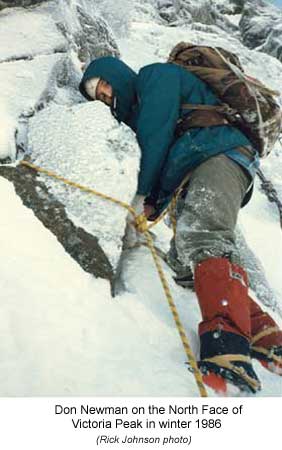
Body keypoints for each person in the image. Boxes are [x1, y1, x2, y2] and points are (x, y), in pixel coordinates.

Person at [79, 56, 282, 393]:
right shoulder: (139, 106)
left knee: (204, 238)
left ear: (115, 74)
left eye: (103, 85)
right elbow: (169, 153)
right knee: (188, 255)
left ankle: (227, 349)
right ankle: (264, 335)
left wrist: (143, 195)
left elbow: (155, 139)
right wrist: (156, 204)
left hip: (220, 155)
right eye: (96, 95)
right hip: (208, 162)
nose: (103, 95)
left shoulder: (153, 77)